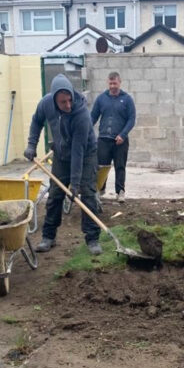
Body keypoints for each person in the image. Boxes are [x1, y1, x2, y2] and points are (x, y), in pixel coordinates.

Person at [24, 75, 102, 255]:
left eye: (69, 101)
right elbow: (37, 121)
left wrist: (75, 184)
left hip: (85, 154)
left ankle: (92, 238)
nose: (68, 105)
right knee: (55, 195)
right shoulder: (46, 104)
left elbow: (78, 150)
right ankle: (48, 237)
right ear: (54, 100)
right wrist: (31, 144)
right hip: (61, 154)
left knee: (88, 193)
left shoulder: (81, 114)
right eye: (62, 102)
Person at [91, 72, 136, 203]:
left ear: (119, 82)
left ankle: (120, 192)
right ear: (107, 83)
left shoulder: (127, 99)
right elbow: (93, 117)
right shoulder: (101, 99)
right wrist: (85, 130)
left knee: (120, 166)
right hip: (104, 139)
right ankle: (100, 190)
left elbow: (131, 119)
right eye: (110, 83)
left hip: (120, 141)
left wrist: (123, 134)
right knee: (101, 166)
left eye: (114, 83)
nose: (112, 86)